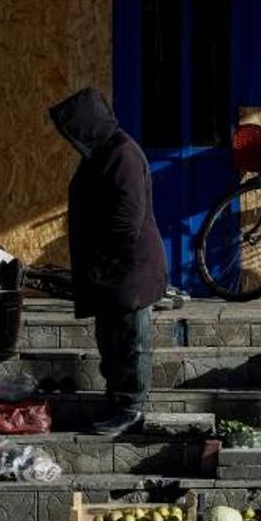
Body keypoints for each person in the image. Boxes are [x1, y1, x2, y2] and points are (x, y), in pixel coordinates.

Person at [49, 87, 166, 436]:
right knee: (111, 338)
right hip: (111, 269)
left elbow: (126, 218)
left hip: (129, 267)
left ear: (88, 125)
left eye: (73, 130)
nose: (70, 139)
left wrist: (100, 257)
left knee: (130, 339)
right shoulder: (102, 153)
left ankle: (130, 406)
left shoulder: (122, 154)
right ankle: (116, 398)